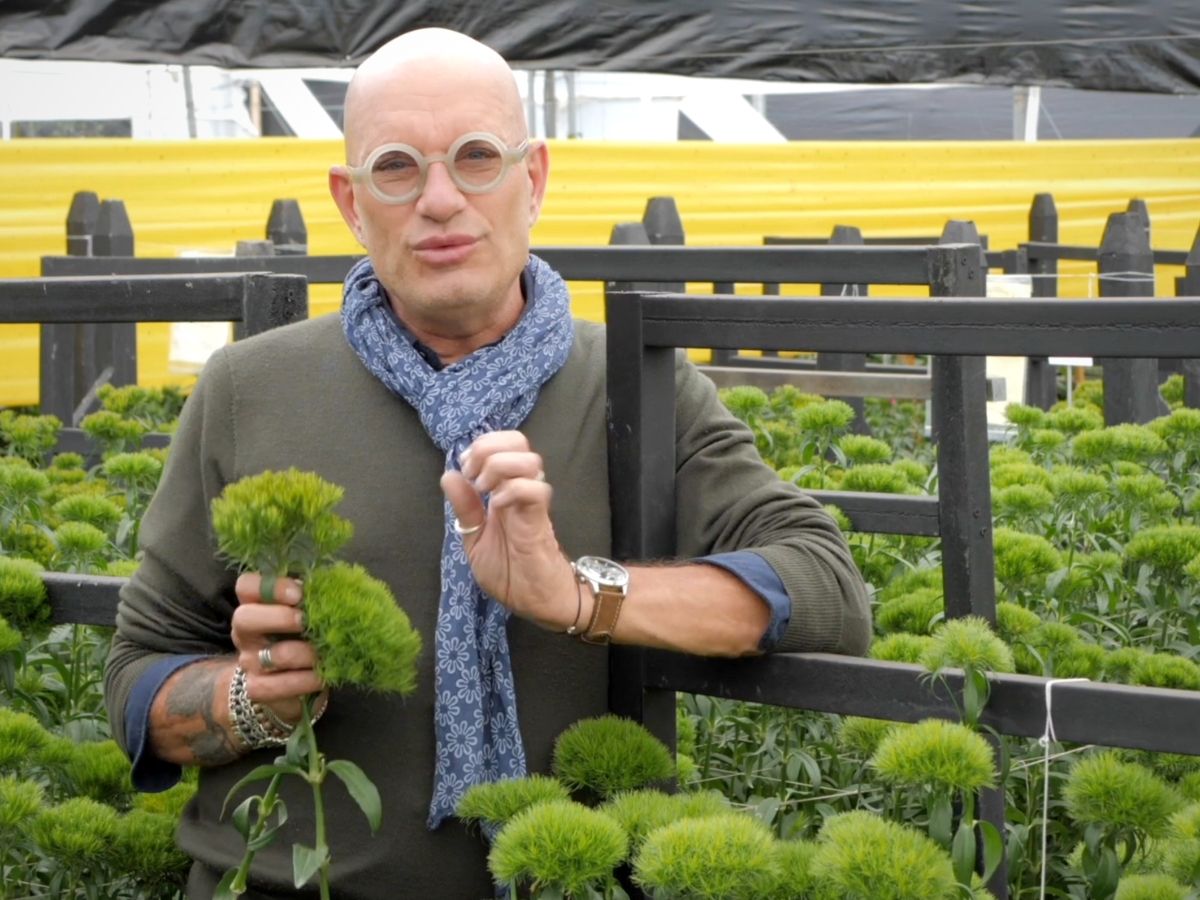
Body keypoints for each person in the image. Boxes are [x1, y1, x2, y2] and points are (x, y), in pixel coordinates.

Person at [104, 27, 870, 899]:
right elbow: (137, 680)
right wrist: (250, 700)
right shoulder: (250, 388)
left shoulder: (629, 388)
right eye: (396, 166)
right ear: (351, 202)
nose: (439, 199)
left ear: (532, 179)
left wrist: (577, 595)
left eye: (476, 157)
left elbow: (825, 593)